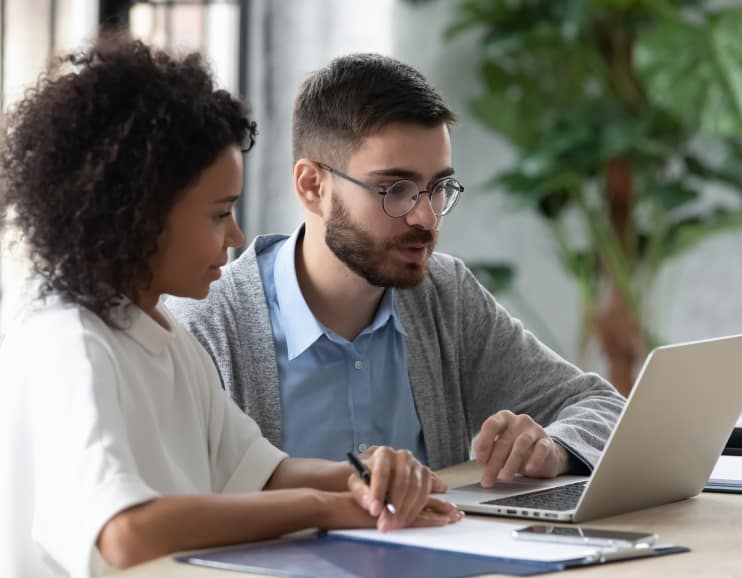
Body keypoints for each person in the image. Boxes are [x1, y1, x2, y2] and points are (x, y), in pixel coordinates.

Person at [0, 39, 461, 578]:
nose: (237, 235)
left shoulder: (157, 330)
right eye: (219, 215)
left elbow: (263, 472)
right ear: (139, 215)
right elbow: (125, 533)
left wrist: (371, 475)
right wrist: (325, 509)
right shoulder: (71, 344)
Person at [168, 53, 625, 488]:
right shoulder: (207, 326)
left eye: (438, 187)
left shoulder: (445, 297)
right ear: (312, 187)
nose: (425, 217)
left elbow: (603, 406)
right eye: (395, 189)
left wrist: (554, 448)